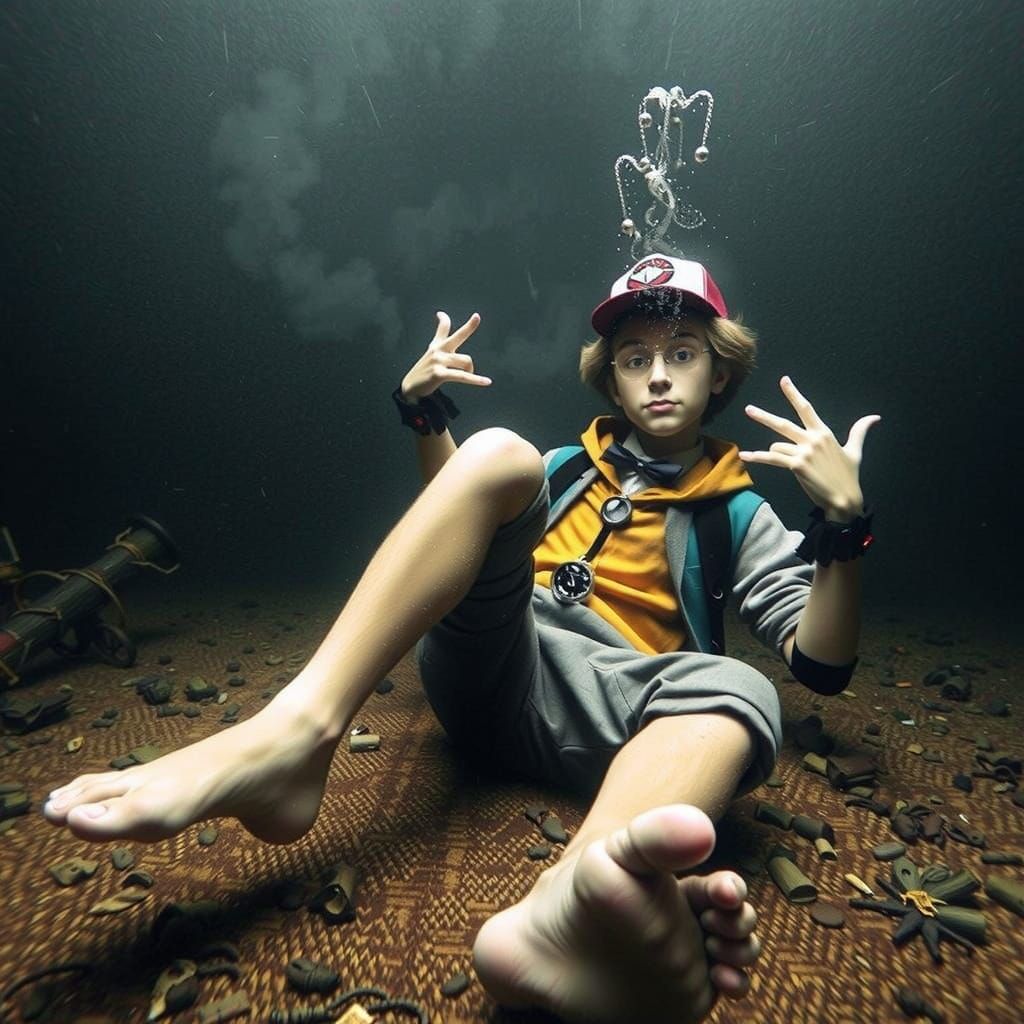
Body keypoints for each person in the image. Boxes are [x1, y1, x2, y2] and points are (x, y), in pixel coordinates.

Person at [43, 253, 879, 1024]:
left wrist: (841, 526)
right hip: (497, 657)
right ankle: (293, 733)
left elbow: (821, 665)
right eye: (635, 357)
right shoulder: (559, 466)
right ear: (612, 379)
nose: (658, 374)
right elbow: (454, 533)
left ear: (721, 368)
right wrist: (424, 414)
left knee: (746, 690)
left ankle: (576, 898)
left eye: (684, 351)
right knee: (497, 454)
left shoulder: (740, 507)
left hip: (619, 709)